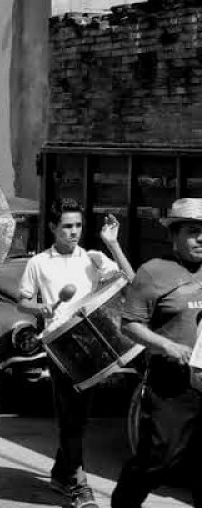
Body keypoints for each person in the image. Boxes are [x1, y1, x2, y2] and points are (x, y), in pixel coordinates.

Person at [18, 199, 133, 508]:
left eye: (78, 226)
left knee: (79, 418)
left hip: (91, 342)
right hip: (60, 343)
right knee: (71, 416)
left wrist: (112, 244)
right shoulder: (38, 262)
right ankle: (79, 485)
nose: (74, 232)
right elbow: (22, 301)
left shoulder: (93, 258)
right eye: (67, 226)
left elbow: (131, 281)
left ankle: (60, 472)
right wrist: (39, 307)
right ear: (53, 227)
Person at [112, 198, 202, 508]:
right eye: (193, 231)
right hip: (171, 383)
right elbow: (130, 325)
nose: (201, 238)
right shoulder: (153, 273)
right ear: (173, 235)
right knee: (158, 459)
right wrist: (167, 345)